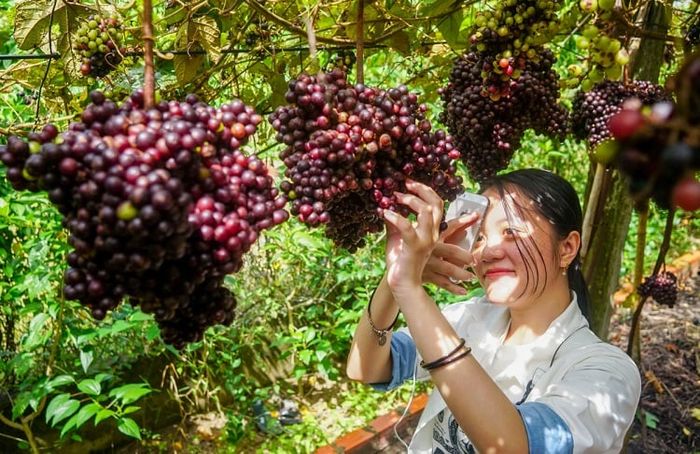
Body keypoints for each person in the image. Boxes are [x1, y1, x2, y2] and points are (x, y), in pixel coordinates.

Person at [346, 169, 641, 453]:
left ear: (566, 248)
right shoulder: (468, 318)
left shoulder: (607, 373)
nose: (487, 252)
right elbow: (367, 368)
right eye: (481, 237)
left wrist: (411, 291)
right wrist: (394, 280)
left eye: (511, 232)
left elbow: (514, 446)